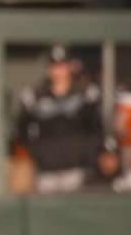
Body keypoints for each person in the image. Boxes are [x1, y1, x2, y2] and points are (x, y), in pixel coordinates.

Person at [16, 45, 104, 194]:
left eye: (62, 66)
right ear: (48, 69)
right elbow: (21, 131)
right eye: (54, 66)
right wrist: (37, 153)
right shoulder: (35, 96)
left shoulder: (86, 94)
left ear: (70, 67)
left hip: (76, 168)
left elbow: (96, 129)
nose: (58, 71)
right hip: (46, 170)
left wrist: (87, 156)